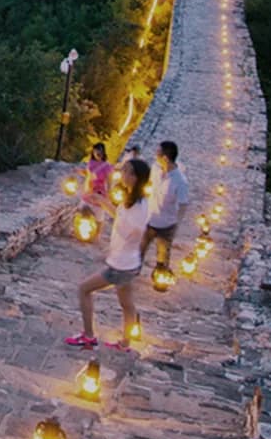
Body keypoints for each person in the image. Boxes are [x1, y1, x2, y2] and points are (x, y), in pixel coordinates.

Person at [65, 158, 152, 350]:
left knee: (84, 289)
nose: (123, 175)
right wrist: (103, 202)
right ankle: (125, 343)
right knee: (127, 304)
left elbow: (135, 229)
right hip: (129, 263)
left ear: (135, 178)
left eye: (127, 171)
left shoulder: (139, 207)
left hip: (121, 265)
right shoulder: (133, 201)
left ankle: (88, 336)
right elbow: (120, 217)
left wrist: (124, 240)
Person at [140, 140, 189, 269]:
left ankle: (160, 274)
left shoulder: (180, 181)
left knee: (162, 259)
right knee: (138, 251)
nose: (155, 156)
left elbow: (183, 204)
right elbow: (149, 184)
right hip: (149, 220)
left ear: (165, 158)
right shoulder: (155, 168)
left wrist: (176, 225)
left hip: (167, 225)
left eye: (157, 153)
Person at [80, 143, 114, 209]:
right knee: (83, 209)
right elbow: (89, 176)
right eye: (96, 151)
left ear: (103, 152)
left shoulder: (106, 165)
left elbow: (109, 180)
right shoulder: (90, 163)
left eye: (100, 151)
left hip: (99, 191)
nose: (98, 153)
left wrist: (109, 193)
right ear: (93, 152)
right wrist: (83, 172)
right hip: (89, 190)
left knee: (96, 210)